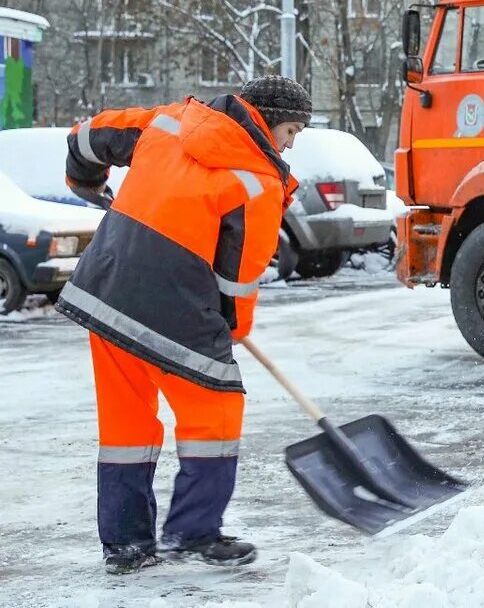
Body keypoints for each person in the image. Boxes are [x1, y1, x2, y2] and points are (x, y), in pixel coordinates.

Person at [56, 76, 310, 575]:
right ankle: (193, 532)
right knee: (216, 410)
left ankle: (127, 545)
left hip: (103, 292)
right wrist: (232, 331)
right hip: (172, 304)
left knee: (126, 424)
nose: (290, 144)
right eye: (291, 131)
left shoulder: (169, 122)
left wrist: (83, 180)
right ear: (267, 120)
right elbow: (237, 281)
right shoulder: (257, 181)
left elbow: (88, 135)